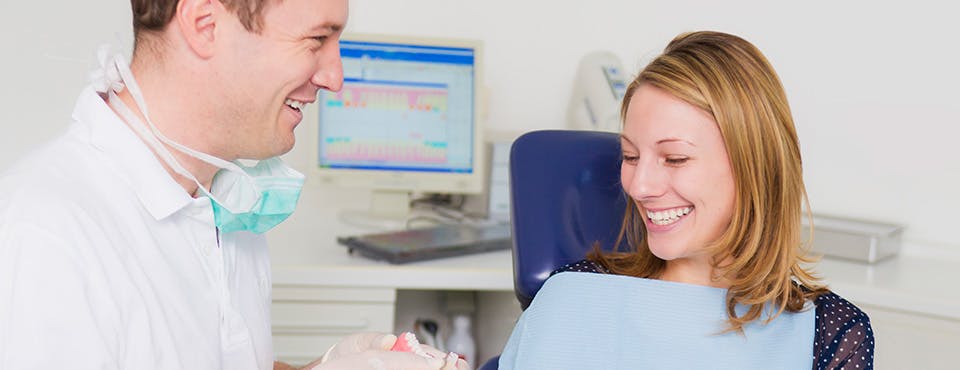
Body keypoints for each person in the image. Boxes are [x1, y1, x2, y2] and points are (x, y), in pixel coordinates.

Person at [0, 0, 467, 369]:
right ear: (205, 23)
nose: (335, 78)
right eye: (316, 40)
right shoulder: (46, 238)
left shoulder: (226, 199)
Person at [499, 31, 874, 369]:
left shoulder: (829, 334)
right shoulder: (573, 294)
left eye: (675, 158)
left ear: (754, 167)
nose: (639, 186)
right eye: (630, 156)